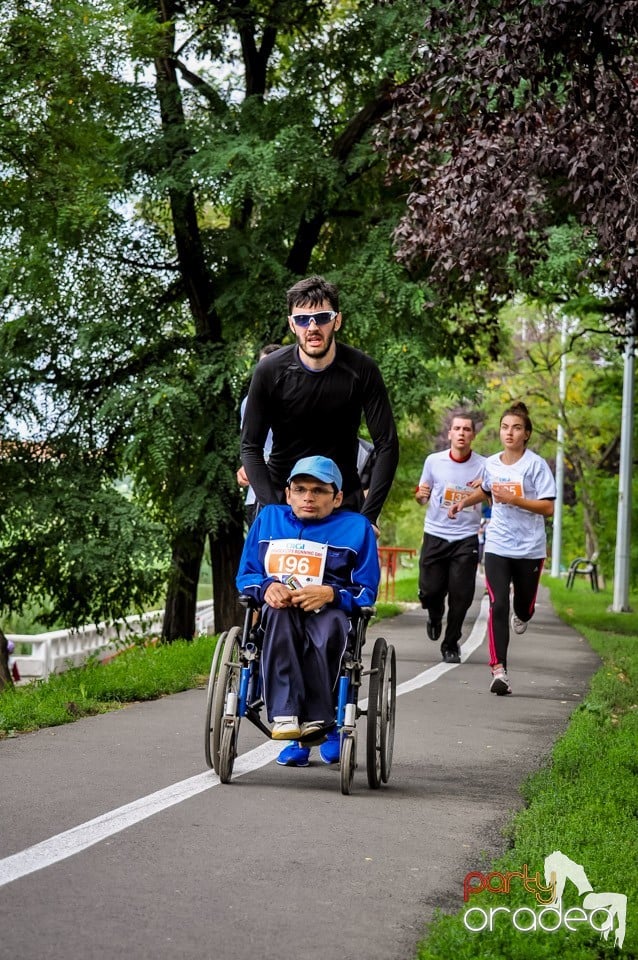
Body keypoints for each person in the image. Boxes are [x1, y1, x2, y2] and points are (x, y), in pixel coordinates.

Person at [236, 456, 380, 767]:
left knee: (330, 630)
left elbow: (366, 591)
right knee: (277, 616)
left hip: (329, 608)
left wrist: (331, 593)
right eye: (300, 489)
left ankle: (321, 722)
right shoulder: (269, 518)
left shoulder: (357, 528)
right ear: (288, 493)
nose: (308, 497)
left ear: (337, 497)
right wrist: (265, 587)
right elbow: (246, 574)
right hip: (281, 607)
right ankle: (288, 717)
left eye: (318, 490)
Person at [240, 275, 399, 531]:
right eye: (302, 319)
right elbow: (250, 447)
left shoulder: (362, 369)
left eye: (322, 317)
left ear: (337, 320)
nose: (312, 327)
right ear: (292, 325)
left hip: (342, 500)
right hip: (283, 499)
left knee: (345, 572)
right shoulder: (269, 370)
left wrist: (368, 516)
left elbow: (387, 444)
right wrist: (271, 510)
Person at [448, 402, 556, 695]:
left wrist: (515, 500)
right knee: (498, 604)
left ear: (527, 434)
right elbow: (486, 491)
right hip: (498, 543)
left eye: (516, 428)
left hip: (530, 548)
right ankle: (499, 670)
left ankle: (524, 612)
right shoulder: (492, 463)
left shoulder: (535, 465)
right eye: (505, 427)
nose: (509, 432)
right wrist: (462, 502)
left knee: (523, 606)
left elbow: (548, 507)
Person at [415, 411, 486, 663]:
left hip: (466, 536)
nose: (462, 434)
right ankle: (435, 614)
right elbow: (422, 495)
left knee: (462, 595)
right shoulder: (434, 461)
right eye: (458, 429)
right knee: (430, 591)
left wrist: (482, 492)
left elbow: (490, 497)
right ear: (450, 434)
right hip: (435, 532)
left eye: (467, 429)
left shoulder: (483, 465)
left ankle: (451, 643)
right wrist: (421, 494)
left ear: (472, 436)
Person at [236, 343, 282, 526]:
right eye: (264, 367)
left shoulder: (307, 399)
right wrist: (245, 468)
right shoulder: (250, 403)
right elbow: (251, 448)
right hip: (259, 497)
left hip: (298, 494)